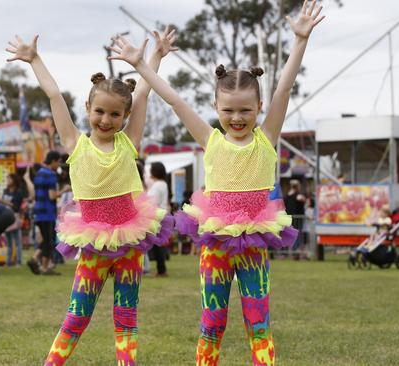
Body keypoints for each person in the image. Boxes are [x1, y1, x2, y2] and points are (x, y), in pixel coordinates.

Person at [109, 3, 323, 363]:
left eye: (245, 110)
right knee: (212, 321)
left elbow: (284, 90)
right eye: (228, 110)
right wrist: (142, 65)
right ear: (215, 106)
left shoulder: (266, 138)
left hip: (253, 241)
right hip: (216, 242)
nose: (236, 118)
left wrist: (299, 41)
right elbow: (175, 100)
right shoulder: (211, 140)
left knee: (259, 323)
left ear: (259, 107)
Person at [6, 28, 176, 365]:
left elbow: (142, 94)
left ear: (125, 117)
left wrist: (153, 57)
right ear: (88, 107)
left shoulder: (129, 142)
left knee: (126, 317)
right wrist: (35, 60)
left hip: (129, 242)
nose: (106, 119)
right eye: (99, 111)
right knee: (77, 316)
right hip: (94, 243)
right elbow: (55, 96)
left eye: (115, 114)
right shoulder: (75, 144)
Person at [27, 151, 61, 275]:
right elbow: (52, 196)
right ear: (53, 161)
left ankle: (40, 262)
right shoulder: (51, 175)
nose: (58, 165)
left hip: (38, 211)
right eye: (58, 162)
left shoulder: (39, 174)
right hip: (48, 212)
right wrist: (64, 190)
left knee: (47, 239)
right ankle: (39, 262)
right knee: (49, 240)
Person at [0, 172, 26, 267]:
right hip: (6, 217)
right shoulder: (5, 191)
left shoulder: (18, 192)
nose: (8, 181)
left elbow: (15, 206)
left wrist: (1, 200)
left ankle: (18, 261)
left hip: (14, 217)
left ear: (14, 180)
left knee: (17, 241)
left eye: (9, 179)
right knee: (9, 242)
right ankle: (8, 262)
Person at [146, 162, 169, 276]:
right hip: (161, 214)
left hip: (156, 216)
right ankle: (161, 268)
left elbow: (152, 201)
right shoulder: (162, 183)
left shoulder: (157, 185)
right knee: (157, 243)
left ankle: (161, 269)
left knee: (156, 244)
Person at [284, 179, 306, 256]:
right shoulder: (298, 195)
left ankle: (291, 251)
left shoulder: (287, 195)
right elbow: (302, 199)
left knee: (290, 235)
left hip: (289, 218)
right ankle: (295, 251)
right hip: (297, 218)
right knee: (297, 234)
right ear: (297, 186)